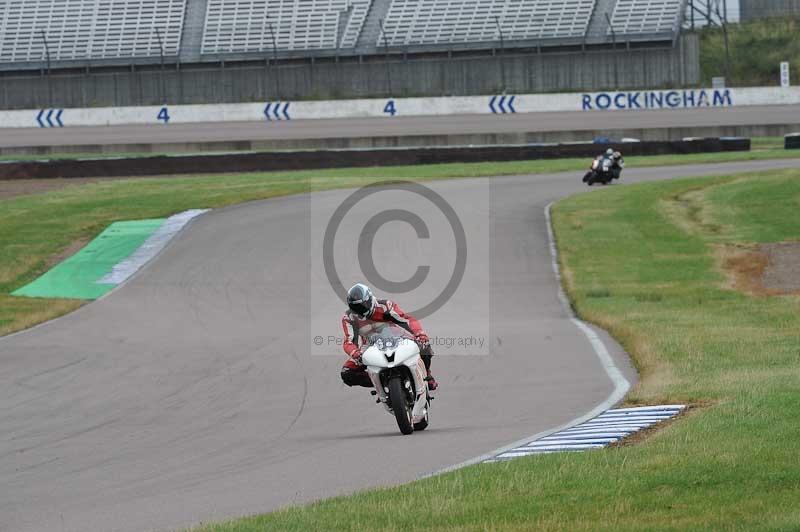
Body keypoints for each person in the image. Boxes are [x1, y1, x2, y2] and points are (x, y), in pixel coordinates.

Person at [340, 283, 437, 391]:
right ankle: (381, 381)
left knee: (424, 345)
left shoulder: (386, 306)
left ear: (370, 299)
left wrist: (419, 334)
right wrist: (355, 353)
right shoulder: (349, 318)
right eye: (356, 308)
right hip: (370, 346)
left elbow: (407, 319)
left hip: (398, 338)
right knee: (347, 373)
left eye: (362, 306)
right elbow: (348, 341)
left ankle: (427, 375)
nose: (360, 310)